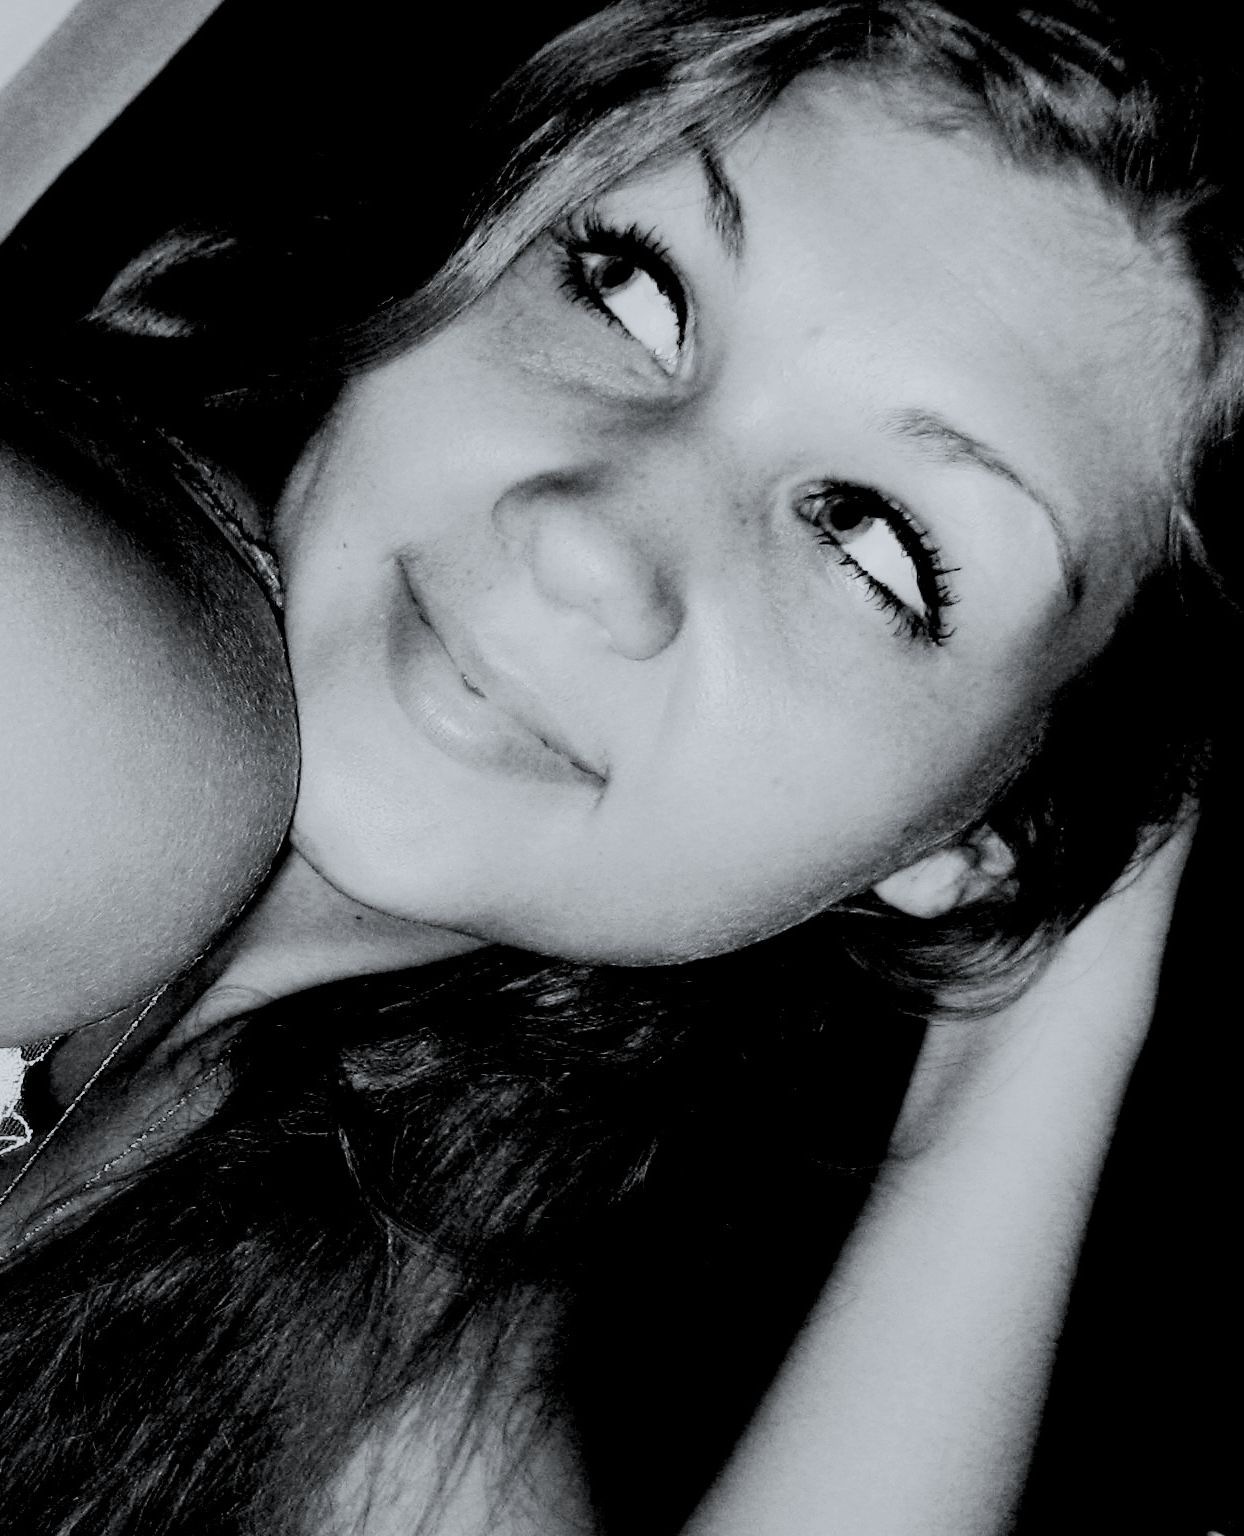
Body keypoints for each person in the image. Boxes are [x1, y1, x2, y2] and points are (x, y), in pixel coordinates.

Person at [0, 2, 1236, 1532]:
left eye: (870, 542)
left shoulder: (356, 1223)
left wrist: (1041, 1012)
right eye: (629, 290)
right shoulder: (94, 738)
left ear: (975, 845)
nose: (590, 540)